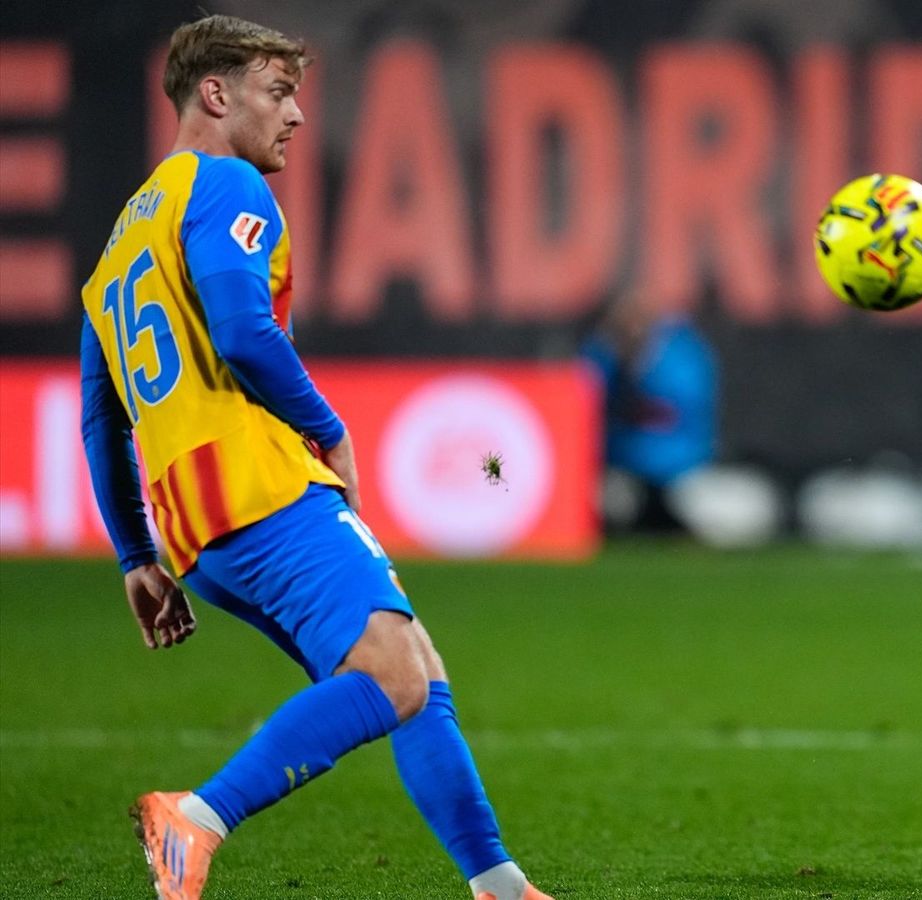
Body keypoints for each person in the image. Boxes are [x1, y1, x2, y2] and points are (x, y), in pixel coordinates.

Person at [78, 16, 552, 900]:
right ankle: (199, 817)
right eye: (278, 92)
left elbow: (99, 419)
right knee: (392, 670)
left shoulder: (116, 250)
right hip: (261, 486)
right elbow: (245, 332)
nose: (297, 115)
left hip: (197, 532)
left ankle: (501, 887)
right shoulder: (224, 187)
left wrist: (137, 557)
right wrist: (328, 429)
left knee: (413, 670)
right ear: (215, 96)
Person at [580, 296, 718, 533]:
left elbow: (690, 423)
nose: (631, 335)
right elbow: (582, 408)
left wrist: (640, 369)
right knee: (605, 499)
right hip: (623, 476)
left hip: (680, 477)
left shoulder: (681, 361)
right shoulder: (602, 361)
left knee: (710, 507)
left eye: (637, 327)